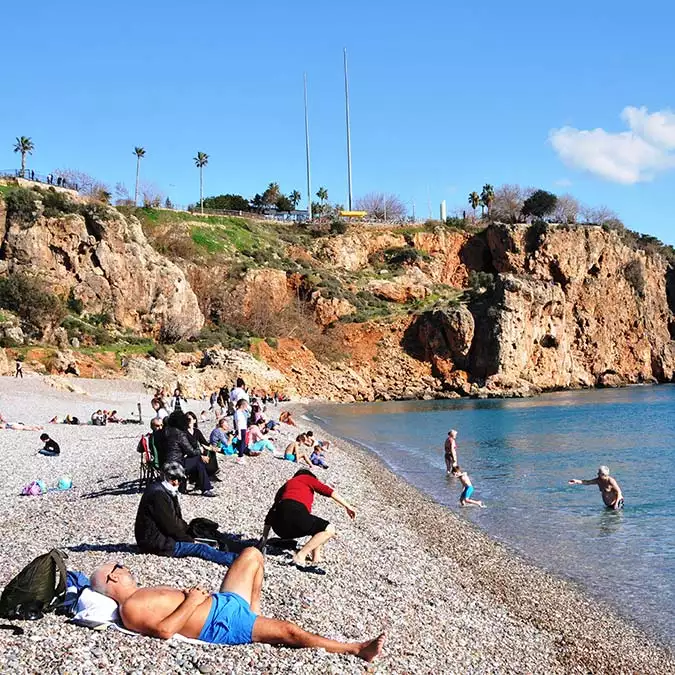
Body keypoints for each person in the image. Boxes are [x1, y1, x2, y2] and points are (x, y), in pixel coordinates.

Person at [89, 550, 384, 661]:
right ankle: (356, 649)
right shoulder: (130, 608)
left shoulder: (141, 593)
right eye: (119, 565)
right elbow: (165, 631)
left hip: (223, 603)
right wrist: (192, 600)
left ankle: (253, 612)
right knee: (289, 631)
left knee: (252, 555)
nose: (124, 566)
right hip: (220, 623)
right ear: (114, 577)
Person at [134, 462, 235, 566]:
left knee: (207, 538)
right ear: (164, 476)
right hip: (157, 543)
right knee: (202, 548)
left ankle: (239, 552)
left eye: (180, 479)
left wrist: (189, 532)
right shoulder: (158, 495)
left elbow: (175, 520)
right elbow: (170, 525)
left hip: (160, 538)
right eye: (173, 478)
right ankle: (236, 561)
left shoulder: (164, 490)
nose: (176, 482)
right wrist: (190, 540)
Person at [261, 469, 356, 570]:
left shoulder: (286, 485)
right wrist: (348, 506)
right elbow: (328, 491)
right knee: (328, 529)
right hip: (295, 516)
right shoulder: (306, 478)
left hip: (279, 528)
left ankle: (316, 557)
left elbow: (271, 513)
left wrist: (264, 539)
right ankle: (300, 555)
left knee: (317, 527)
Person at [163, 411, 215, 497]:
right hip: (177, 463)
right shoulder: (179, 434)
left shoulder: (165, 432)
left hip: (164, 463)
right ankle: (205, 488)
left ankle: (199, 484)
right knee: (198, 459)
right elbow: (191, 452)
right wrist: (200, 450)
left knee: (197, 461)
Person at [185, 411, 219, 480]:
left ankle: (210, 472)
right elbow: (187, 448)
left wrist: (212, 448)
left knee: (211, 452)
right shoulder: (184, 433)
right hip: (190, 453)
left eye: (189, 419)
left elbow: (204, 442)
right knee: (201, 455)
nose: (188, 421)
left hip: (198, 450)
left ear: (194, 420)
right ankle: (199, 475)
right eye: (186, 419)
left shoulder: (196, 431)